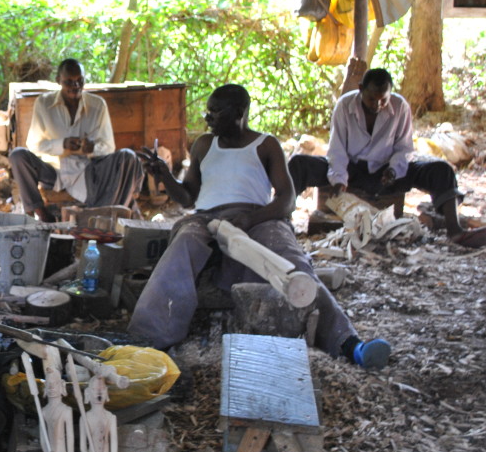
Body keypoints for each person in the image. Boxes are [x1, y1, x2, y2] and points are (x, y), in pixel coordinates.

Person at [129, 84, 390, 369]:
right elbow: (188, 196)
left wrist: (250, 220)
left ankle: (349, 344)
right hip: (206, 218)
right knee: (182, 246)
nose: (208, 118)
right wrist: (165, 176)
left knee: (291, 263)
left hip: (257, 217)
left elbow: (287, 199)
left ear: (239, 113)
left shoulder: (265, 145)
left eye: (216, 112)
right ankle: (146, 340)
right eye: (208, 111)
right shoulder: (204, 145)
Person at [288, 68, 485, 248]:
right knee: (298, 164)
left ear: (391, 93)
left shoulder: (400, 107)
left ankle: (455, 230)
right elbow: (337, 150)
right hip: (352, 169)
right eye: (372, 99)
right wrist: (339, 179)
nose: (377, 105)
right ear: (360, 90)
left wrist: (393, 170)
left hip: (387, 172)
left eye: (383, 99)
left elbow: (404, 148)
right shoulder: (345, 105)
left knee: (441, 170)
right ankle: (282, 222)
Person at [9, 59, 145, 222]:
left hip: (90, 170)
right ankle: (41, 213)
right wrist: (62, 144)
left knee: (128, 157)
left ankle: (108, 213)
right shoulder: (44, 103)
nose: (75, 86)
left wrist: (92, 148)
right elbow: (34, 146)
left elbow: (109, 147)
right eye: (69, 82)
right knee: (18, 156)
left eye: (80, 81)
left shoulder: (97, 105)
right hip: (56, 171)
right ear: (58, 81)